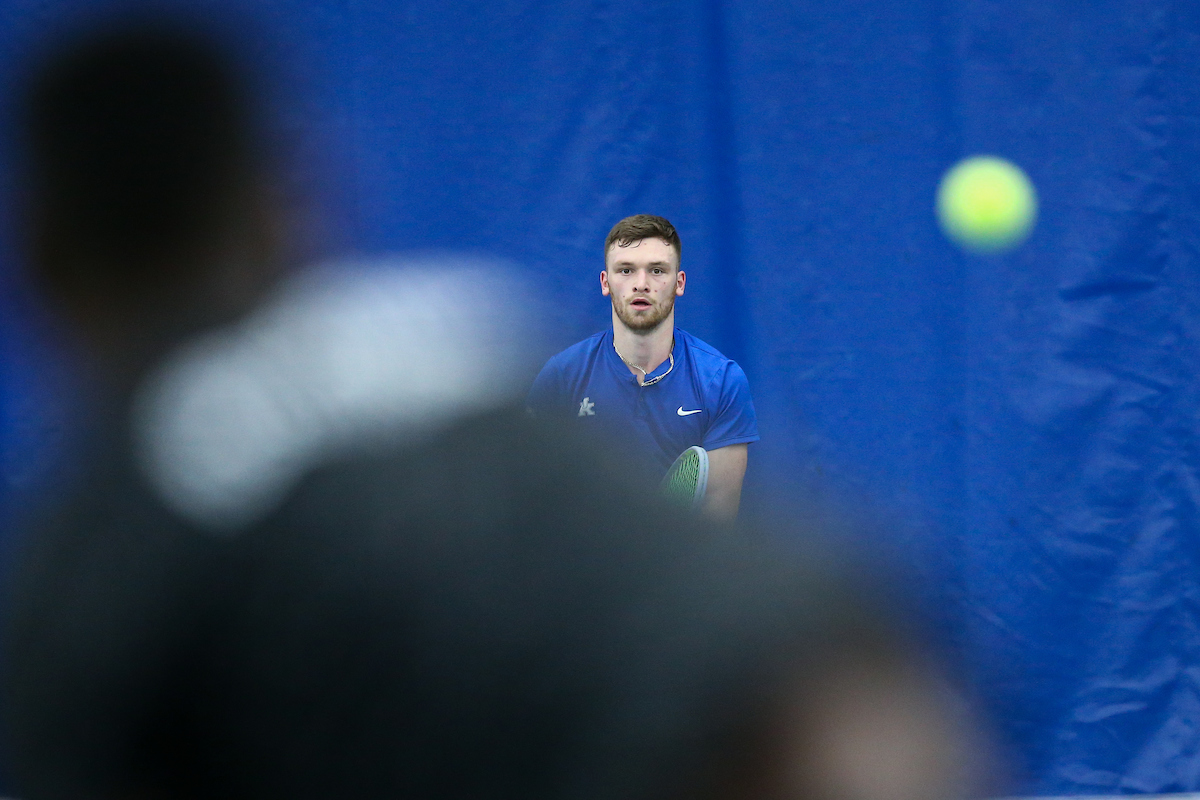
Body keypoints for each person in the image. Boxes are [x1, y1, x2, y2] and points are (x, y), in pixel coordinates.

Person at [3, 19, 978, 800]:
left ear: (41, 260)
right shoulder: (471, 326)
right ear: (282, 211)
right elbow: (860, 718)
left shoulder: (87, 551)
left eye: (658, 271)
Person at [526, 215, 758, 521]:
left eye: (657, 270)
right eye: (626, 270)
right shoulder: (562, 377)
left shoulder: (722, 381)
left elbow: (718, 519)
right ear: (606, 283)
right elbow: (528, 498)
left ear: (679, 283)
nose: (641, 284)